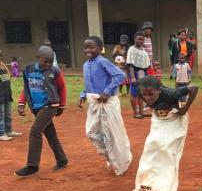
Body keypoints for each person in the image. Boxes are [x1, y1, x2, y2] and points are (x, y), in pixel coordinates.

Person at [130, 76, 198, 191]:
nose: (148, 97)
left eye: (151, 94)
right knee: (150, 147)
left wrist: (186, 107)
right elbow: (145, 98)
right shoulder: (141, 92)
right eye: (145, 94)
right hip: (159, 119)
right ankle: (147, 182)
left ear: (159, 90)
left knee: (168, 152)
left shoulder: (171, 94)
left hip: (175, 120)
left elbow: (194, 87)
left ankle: (166, 189)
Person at [78, 36, 132, 176]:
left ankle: (121, 162)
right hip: (94, 103)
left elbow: (120, 76)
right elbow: (89, 84)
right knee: (92, 132)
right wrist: (83, 94)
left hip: (108, 103)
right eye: (86, 47)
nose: (88, 50)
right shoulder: (86, 65)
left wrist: (107, 91)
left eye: (92, 47)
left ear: (100, 48)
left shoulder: (103, 62)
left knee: (112, 133)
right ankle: (110, 156)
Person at [15, 46, 67, 177]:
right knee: (50, 134)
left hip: (49, 106)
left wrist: (61, 106)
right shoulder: (28, 70)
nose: (48, 64)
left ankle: (32, 166)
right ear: (38, 57)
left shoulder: (54, 72)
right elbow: (26, 88)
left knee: (35, 132)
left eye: (50, 61)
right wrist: (22, 102)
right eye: (45, 61)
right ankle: (62, 160)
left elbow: (62, 88)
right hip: (36, 107)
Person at [127, 31, 151, 119]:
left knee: (141, 93)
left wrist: (146, 75)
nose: (140, 41)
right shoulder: (131, 49)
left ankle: (141, 111)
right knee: (134, 93)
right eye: (138, 39)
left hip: (142, 73)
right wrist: (133, 77)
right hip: (135, 73)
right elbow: (130, 64)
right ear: (134, 39)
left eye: (142, 39)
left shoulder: (143, 50)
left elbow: (146, 64)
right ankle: (135, 112)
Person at [0, 52, 22, 141]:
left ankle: (8, 131)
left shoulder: (4, 66)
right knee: (0, 115)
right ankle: (1, 133)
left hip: (7, 94)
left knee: (8, 113)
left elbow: (7, 79)